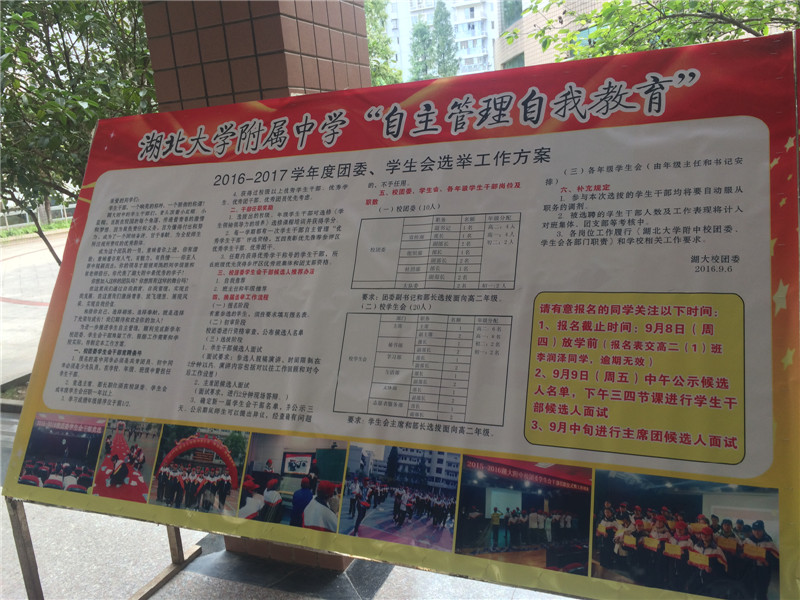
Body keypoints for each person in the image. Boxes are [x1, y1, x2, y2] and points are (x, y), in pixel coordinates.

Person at [743, 520, 779, 600]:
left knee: (762, 592)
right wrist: (743, 556)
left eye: (759, 530)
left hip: (763, 571)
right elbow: (742, 554)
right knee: (749, 591)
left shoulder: (769, 543)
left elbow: (776, 558)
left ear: (763, 530)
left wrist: (767, 562)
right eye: (754, 530)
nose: (757, 532)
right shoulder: (748, 541)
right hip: (750, 570)